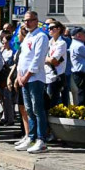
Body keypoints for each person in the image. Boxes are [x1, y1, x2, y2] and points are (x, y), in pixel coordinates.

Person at [15, 11, 50, 154]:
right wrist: (19, 74)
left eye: (30, 20)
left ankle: (41, 139)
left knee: (37, 109)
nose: (27, 23)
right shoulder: (28, 36)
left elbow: (37, 59)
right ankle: (31, 136)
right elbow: (22, 58)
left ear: (36, 21)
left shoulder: (41, 36)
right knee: (28, 109)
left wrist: (27, 75)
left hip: (35, 78)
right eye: (25, 20)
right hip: (24, 78)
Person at [44, 21, 69, 106]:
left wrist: (43, 59)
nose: (49, 30)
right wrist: (47, 59)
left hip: (54, 76)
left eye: (51, 28)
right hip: (45, 75)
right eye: (48, 28)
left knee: (52, 102)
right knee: (46, 102)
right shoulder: (49, 42)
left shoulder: (62, 43)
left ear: (58, 29)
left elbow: (53, 60)